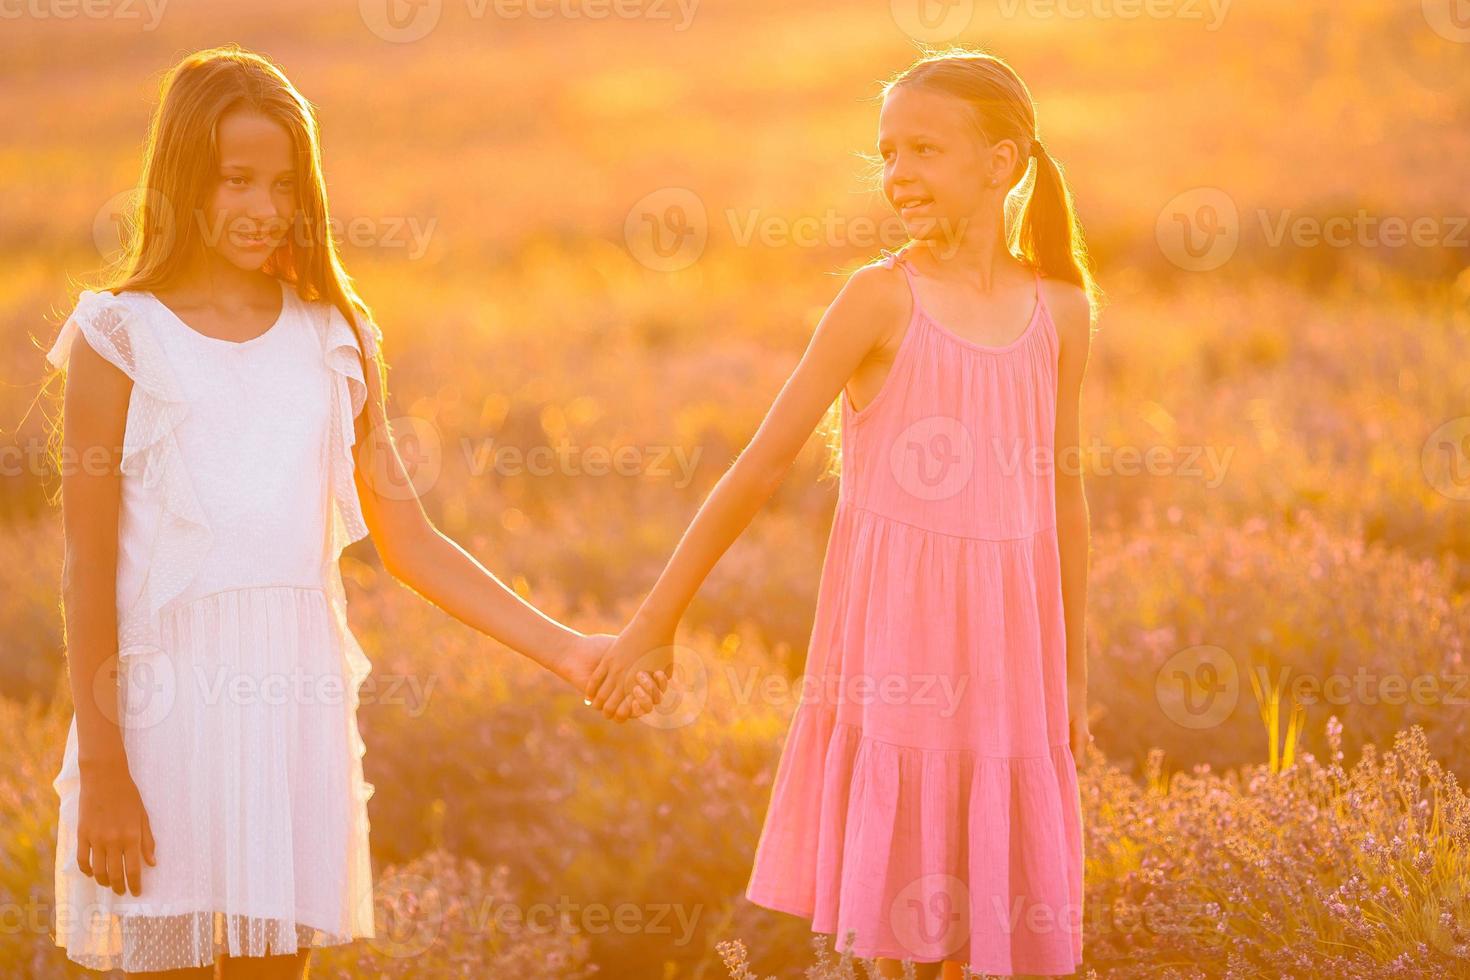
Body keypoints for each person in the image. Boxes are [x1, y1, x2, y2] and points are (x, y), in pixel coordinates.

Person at [45, 45, 663, 978]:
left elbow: (410, 541)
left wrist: (570, 651)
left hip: (295, 713)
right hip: (157, 724)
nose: (265, 210)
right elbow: (86, 569)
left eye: (285, 185)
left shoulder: (335, 336)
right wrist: (103, 773)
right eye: (236, 181)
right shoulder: (118, 335)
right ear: (179, 180)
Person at [587, 49, 1101, 979]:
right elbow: (758, 468)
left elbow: (1064, 496)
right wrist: (653, 625)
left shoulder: (1060, 310)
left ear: (1003, 161)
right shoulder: (877, 298)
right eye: (888, 152)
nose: (899, 175)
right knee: (904, 927)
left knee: (992, 923)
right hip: (898, 649)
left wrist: (1071, 679)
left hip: (1009, 658)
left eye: (925, 151)